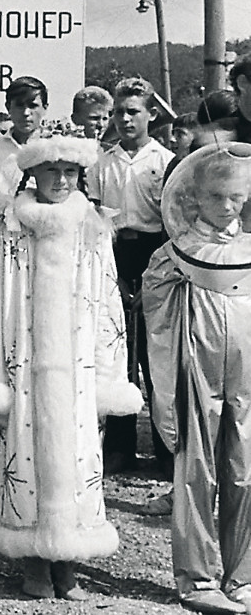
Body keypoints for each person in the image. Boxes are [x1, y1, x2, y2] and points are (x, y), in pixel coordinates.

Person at [0, 133, 142, 601]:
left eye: (70, 172)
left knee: (79, 455)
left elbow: (109, 303)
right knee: (25, 453)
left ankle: (69, 559)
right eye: (51, 171)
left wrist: (110, 373)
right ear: (33, 174)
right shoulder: (7, 230)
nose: (61, 180)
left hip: (78, 363)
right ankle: (33, 559)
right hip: (24, 361)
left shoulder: (93, 228)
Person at [144, 143, 251, 614]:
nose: (226, 206)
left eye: (235, 197)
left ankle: (243, 576)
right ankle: (197, 577)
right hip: (197, 364)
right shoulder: (177, 253)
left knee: (245, 469)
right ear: (195, 197)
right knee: (196, 470)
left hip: (247, 372)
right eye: (216, 196)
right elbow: (156, 309)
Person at [90, 77, 174, 476]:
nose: (124, 120)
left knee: (155, 358)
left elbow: (173, 222)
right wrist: (115, 276)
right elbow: (95, 218)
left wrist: (154, 277)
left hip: (154, 253)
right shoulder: (102, 162)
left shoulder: (166, 161)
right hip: (114, 254)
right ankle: (119, 448)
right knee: (117, 356)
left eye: (133, 112)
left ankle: (165, 449)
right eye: (118, 113)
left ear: (151, 114)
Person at [0, 77, 48, 223]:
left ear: (45, 108)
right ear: (8, 107)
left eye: (33, 105)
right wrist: (4, 217)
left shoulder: (54, 148)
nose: (26, 112)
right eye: (19, 105)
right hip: (2, 225)